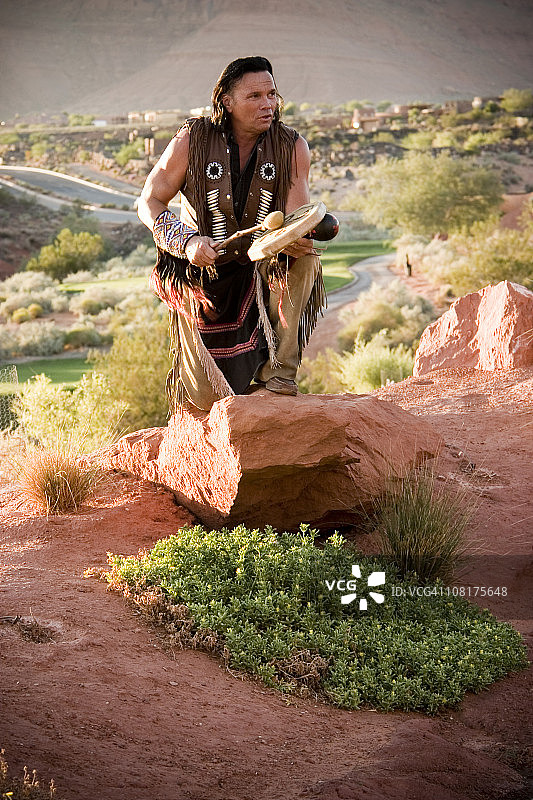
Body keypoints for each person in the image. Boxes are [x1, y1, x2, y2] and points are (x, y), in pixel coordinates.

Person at [137, 55, 325, 412]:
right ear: (227, 101)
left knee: (305, 263)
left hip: (257, 269)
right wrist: (186, 242)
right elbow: (149, 201)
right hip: (198, 271)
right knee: (206, 400)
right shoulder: (191, 139)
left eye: (272, 94)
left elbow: (297, 222)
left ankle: (279, 375)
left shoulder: (292, 147)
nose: (268, 103)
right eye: (254, 96)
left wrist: (299, 239)